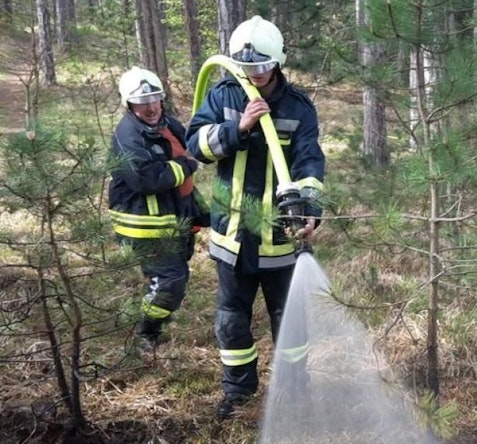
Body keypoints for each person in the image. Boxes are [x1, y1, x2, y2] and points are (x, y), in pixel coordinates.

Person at [185, 16, 325, 420]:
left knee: (290, 321)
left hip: (279, 237)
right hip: (232, 235)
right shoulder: (223, 94)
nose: (255, 74)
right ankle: (239, 392)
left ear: (277, 62)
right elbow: (197, 145)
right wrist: (238, 127)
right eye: (248, 67)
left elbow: (310, 161)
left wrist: (310, 208)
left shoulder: (298, 107)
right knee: (232, 321)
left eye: (262, 66)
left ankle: (296, 388)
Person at [109, 67, 204, 354]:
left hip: (175, 214)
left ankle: (155, 318)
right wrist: (186, 165)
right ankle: (146, 333)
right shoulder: (128, 135)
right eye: (142, 102)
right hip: (145, 224)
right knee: (170, 280)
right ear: (129, 104)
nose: (150, 107)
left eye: (154, 99)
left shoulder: (171, 125)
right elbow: (145, 179)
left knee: (176, 276)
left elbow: (193, 151)